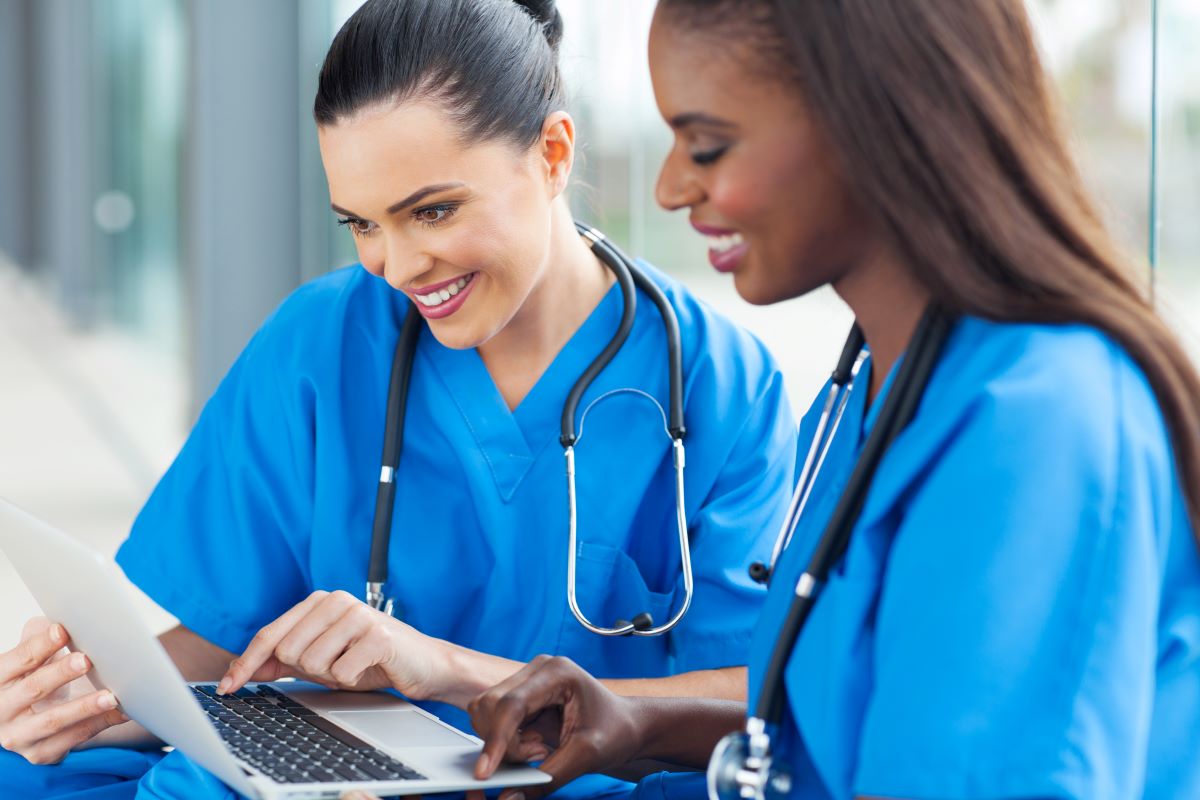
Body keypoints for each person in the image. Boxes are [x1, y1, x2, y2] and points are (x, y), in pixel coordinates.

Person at [0, 1, 798, 797]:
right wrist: (90, 701)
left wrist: (448, 671)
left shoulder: (718, 385)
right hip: (341, 772)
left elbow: (748, 700)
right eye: (361, 223)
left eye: (433, 211)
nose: (397, 264)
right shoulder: (322, 340)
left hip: (570, 781)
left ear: (552, 154)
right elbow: (227, 645)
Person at [453, 2, 1200, 800]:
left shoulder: (1041, 425)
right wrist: (645, 724)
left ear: (876, 119)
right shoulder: (869, 389)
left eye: (708, 145)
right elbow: (848, 733)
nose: (670, 187)